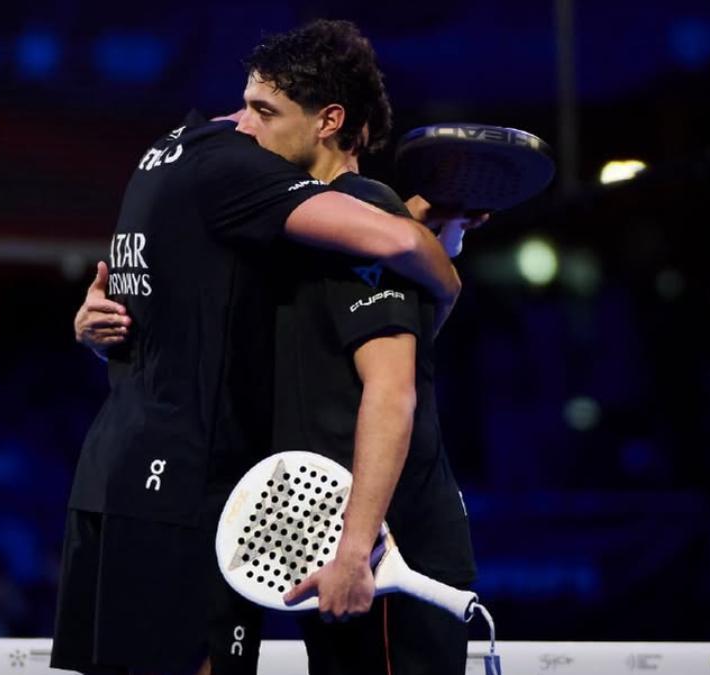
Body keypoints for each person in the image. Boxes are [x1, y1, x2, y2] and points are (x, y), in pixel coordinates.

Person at [75, 20, 483, 675]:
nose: (243, 126)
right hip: (321, 536)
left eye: (265, 111)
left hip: (386, 543)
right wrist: (98, 327)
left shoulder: (366, 211)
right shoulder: (284, 226)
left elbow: (391, 388)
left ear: (328, 121)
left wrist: (355, 546)